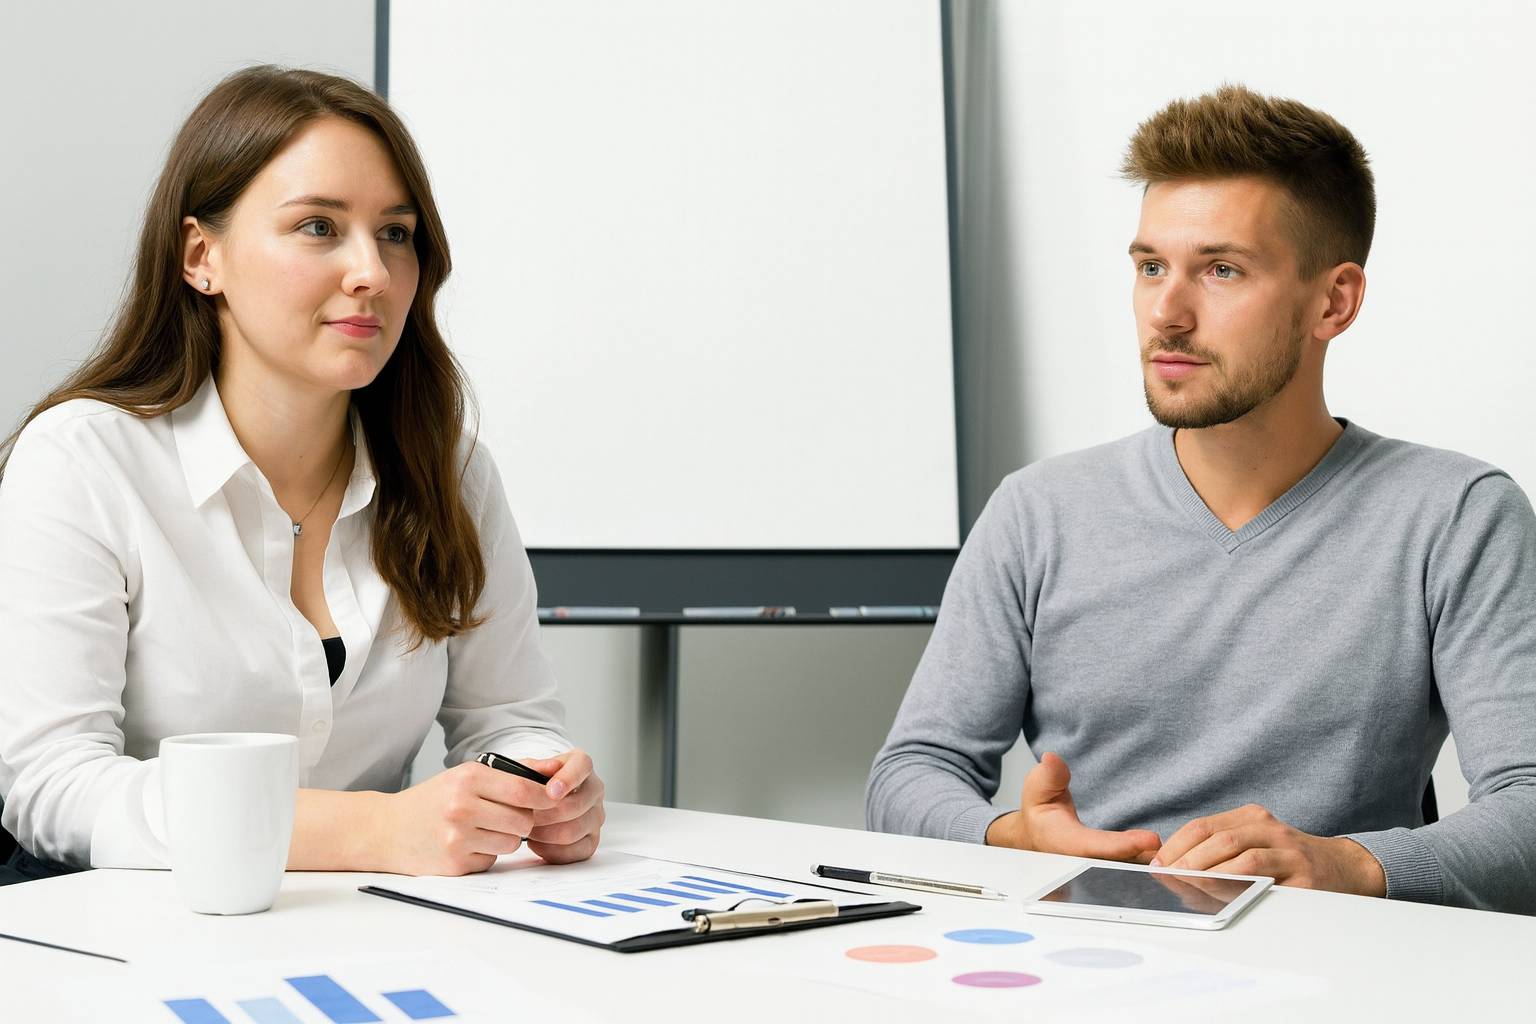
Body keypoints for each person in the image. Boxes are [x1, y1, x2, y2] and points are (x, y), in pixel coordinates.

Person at [867, 85, 1536, 914]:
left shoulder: (1457, 515)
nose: (1167, 314)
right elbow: (909, 776)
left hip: (1339, 970)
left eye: (1221, 270)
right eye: (1151, 267)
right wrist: (1012, 837)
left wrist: (1347, 865)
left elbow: (1530, 806)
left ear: (1334, 302)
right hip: (1083, 957)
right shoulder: (1036, 512)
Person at [0, 66, 604, 880]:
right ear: (200, 257)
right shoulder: (83, 460)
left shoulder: (450, 470)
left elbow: (508, 717)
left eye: (396, 233)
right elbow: (54, 785)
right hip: (133, 936)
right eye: (319, 227)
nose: (374, 273)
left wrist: (540, 787)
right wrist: (375, 832)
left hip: (378, 932)